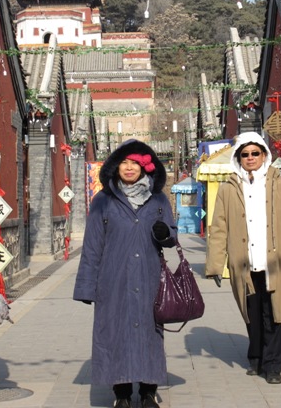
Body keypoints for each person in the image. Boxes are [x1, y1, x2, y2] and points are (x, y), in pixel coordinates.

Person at [73, 139, 177, 408]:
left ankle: (148, 392)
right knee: (115, 335)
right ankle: (121, 394)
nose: (129, 168)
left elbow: (172, 235)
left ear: (145, 167)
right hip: (113, 281)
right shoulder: (103, 201)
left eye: (135, 163)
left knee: (150, 335)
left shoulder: (158, 199)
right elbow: (92, 245)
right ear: (116, 167)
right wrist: (86, 286)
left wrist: (166, 233)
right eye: (124, 163)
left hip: (149, 279)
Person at [205, 132, 281, 385]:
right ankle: (256, 358)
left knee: (273, 313)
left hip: (274, 262)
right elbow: (218, 228)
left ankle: (273, 366)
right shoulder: (228, 189)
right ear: (238, 158)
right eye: (245, 154)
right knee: (251, 313)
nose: (250, 158)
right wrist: (216, 264)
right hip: (244, 263)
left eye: (255, 153)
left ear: (264, 155)